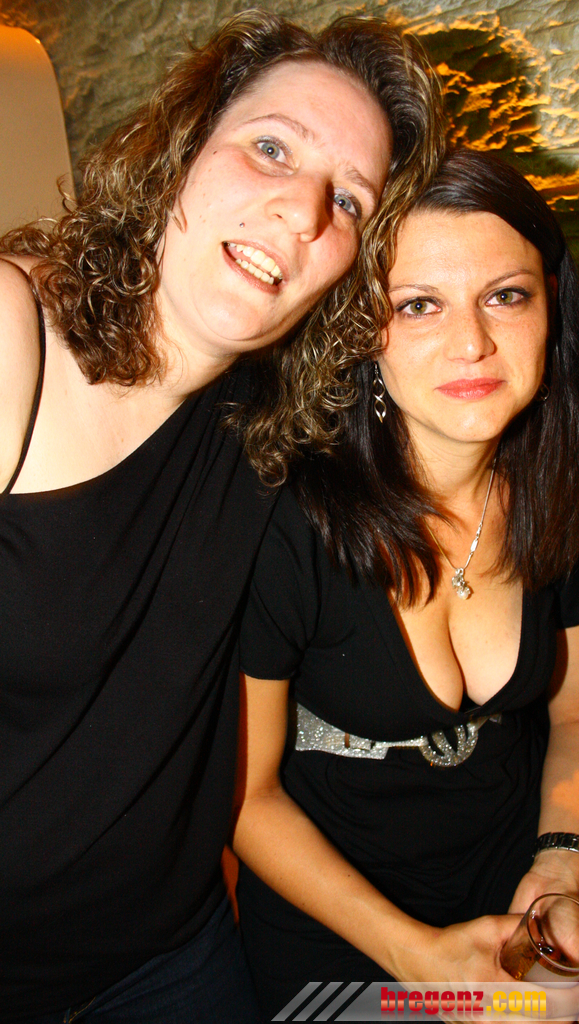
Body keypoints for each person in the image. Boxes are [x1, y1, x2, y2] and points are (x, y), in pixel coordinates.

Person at [0, 12, 444, 1022]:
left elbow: (488, 359)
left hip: (174, 951)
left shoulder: (277, 405)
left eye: (349, 199)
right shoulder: (15, 334)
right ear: (180, 146)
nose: (303, 212)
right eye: (272, 148)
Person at [233, 147, 579, 1020]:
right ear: (359, 331)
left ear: (551, 307)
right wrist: (421, 962)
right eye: (418, 305)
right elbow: (246, 800)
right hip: (343, 911)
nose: (472, 342)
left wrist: (562, 868)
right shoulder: (287, 518)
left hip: (533, 852)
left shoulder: (557, 489)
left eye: (505, 296)